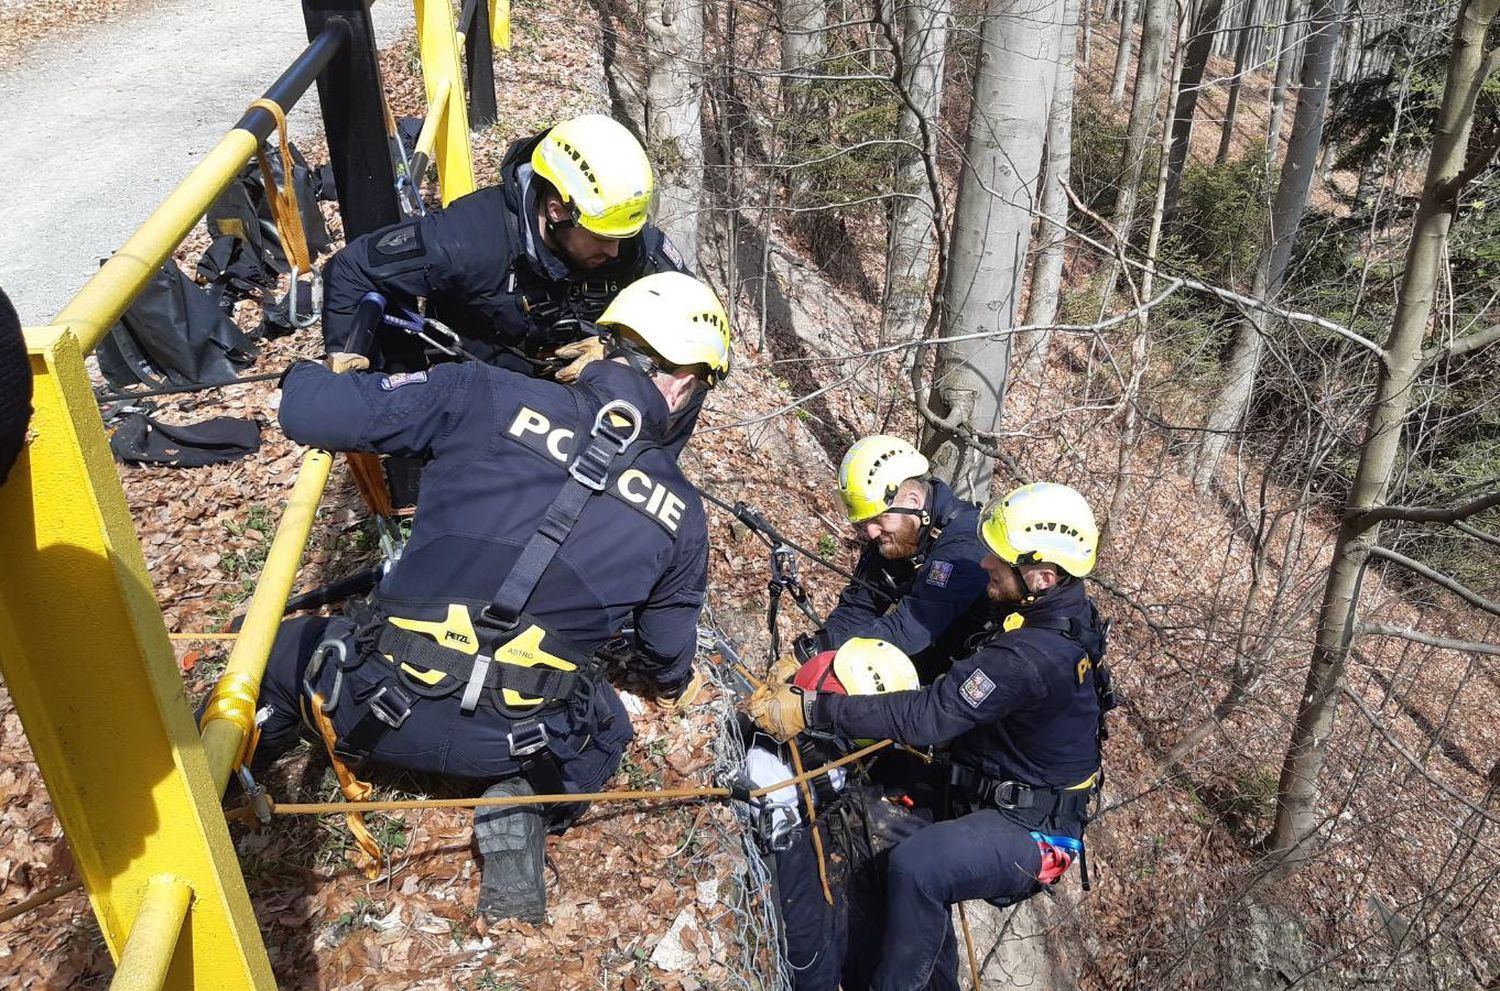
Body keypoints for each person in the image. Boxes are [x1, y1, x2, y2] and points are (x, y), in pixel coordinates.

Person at [249, 271, 730, 923]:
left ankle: (223, 768)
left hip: (369, 703)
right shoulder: (684, 514)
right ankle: (526, 802)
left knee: (278, 650)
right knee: (606, 729)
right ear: (683, 383)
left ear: (606, 343)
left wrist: (309, 374)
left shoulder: (483, 392)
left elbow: (308, 411)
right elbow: (666, 655)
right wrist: (667, 680)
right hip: (510, 741)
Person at [744, 483, 1113, 991]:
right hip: (989, 786)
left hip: (1034, 829)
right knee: (880, 800)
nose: (984, 564)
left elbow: (931, 715)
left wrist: (813, 709)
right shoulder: (1054, 613)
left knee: (921, 868)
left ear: (1041, 577)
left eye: (998, 560)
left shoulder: (1030, 656)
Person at [319, 113, 702, 455]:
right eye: (602, 238)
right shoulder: (465, 241)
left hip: (572, 403)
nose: (615, 252)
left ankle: (638, 472)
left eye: (622, 238)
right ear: (557, 211)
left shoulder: (629, 242)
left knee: (694, 373)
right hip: (481, 397)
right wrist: (374, 382)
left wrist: (613, 349)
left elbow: (700, 326)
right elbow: (352, 268)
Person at [742, 640, 921, 991]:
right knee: (814, 960)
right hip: (793, 824)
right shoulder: (771, 771)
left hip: (816, 802)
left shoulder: (831, 748)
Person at [796, 436, 991, 683]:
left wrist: (826, 647)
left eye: (878, 519)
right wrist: (815, 657)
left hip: (970, 676)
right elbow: (858, 606)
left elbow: (912, 628)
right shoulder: (898, 534)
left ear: (913, 501)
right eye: (866, 522)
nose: (871, 532)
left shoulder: (965, 544)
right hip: (917, 664)